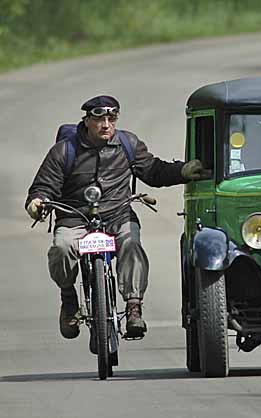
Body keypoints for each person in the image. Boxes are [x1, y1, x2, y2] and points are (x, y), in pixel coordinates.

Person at [25, 95, 208, 340]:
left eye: (111, 119)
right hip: (74, 217)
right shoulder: (64, 151)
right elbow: (44, 185)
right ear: (87, 121)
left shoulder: (128, 143)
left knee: (131, 243)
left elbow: (153, 170)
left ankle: (134, 306)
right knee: (62, 247)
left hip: (118, 213)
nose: (106, 124)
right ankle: (68, 298)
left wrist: (182, 171)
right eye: (99, 119)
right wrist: (37, 202)